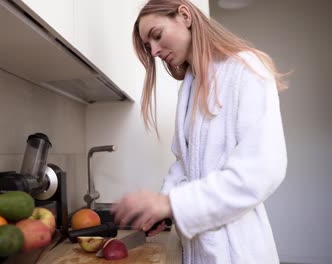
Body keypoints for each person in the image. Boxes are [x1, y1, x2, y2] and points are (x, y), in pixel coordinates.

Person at [111, 0, 288, 263]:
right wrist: (164, 206)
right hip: (197, 248)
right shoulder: (190, 87)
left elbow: (263, 169)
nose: (155, 51)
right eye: (149, 47)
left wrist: (172, 204)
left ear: (184, 15)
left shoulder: (246, 68)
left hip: (238, 250)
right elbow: (184, 163)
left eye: (157, 36)